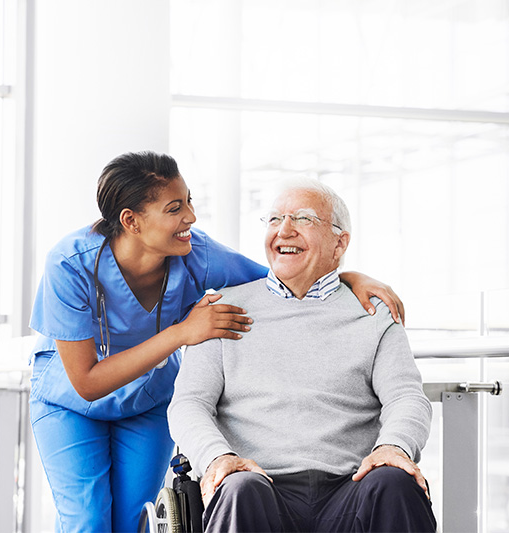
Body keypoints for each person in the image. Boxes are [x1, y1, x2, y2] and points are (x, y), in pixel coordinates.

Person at [28, 151, 405, 533]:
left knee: (133, 521)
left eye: (189, 201)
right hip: (70, 403)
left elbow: (287, 278)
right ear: (132, 221)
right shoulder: (70, 264)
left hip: (145, 400)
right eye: (175, 208)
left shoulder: (197, 253)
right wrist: (181, 333)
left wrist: (350, 277)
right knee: (86, 521)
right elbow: (87, 383)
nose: (190, 216)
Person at [167, 177, 437, 533]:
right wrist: (219, 457)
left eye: (303, 219)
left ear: (339, 243)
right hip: (258, 485)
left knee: (394, 482)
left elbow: (406, 397)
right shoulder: (222, 309)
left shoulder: (373, 315)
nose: (285, 230)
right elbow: (189, 404)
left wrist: (394, 446)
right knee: (239, 488)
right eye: (275, 220)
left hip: (350, 486)